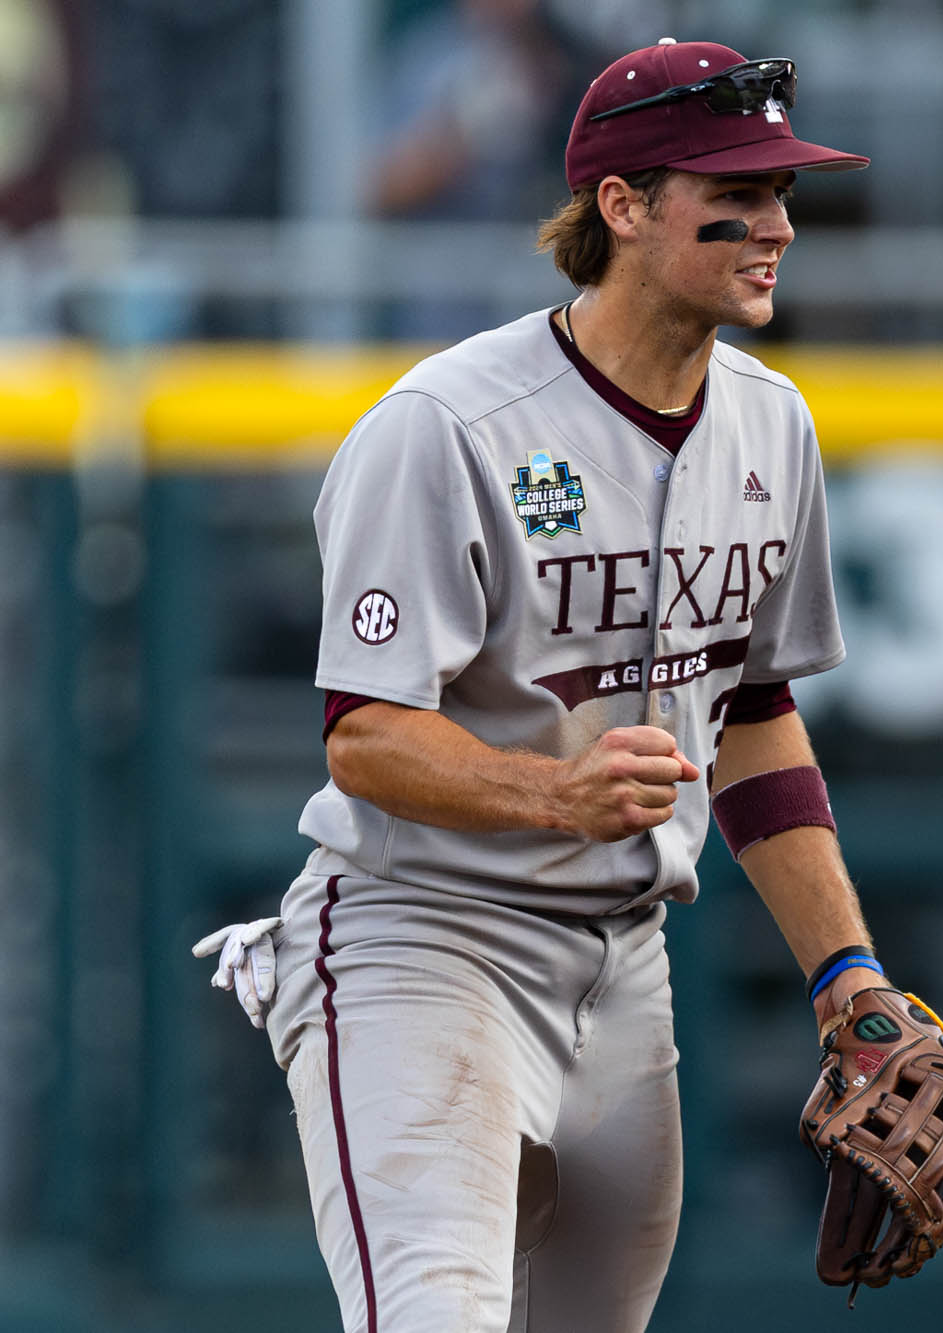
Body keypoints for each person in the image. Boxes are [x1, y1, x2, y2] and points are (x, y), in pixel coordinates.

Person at [192, 39, 897, 1332]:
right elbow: (365, 738)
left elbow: (750, 718)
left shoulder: (774, 424)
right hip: (424, 938)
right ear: (622, 208)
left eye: (786, 193)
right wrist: (554, 792)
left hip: (626, 968)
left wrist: (845, 970)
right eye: (737, 196)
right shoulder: (446, 426)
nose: (778, 227)